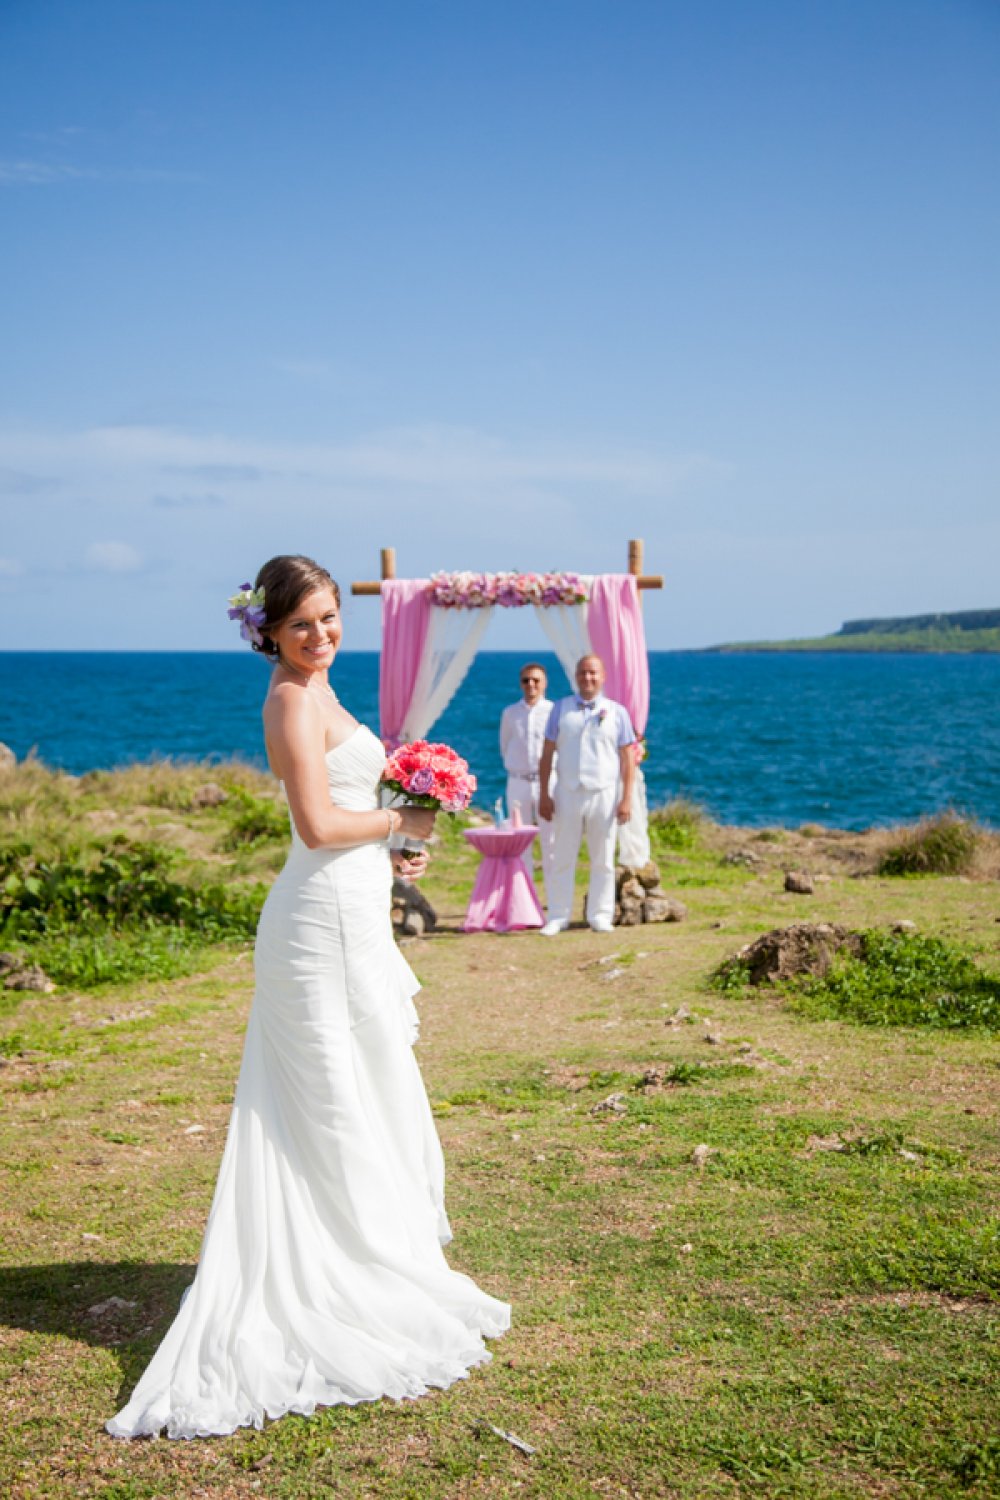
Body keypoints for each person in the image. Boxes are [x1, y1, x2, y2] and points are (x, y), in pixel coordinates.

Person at [107, 555, 509, 1440]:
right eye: (303, 626)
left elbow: (353, 814)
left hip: (356, 915)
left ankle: (372, 1255)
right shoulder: (289, 701)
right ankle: (341, 1276)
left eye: (330, 619)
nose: (322, 636)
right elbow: (318, 826)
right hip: (313, 928)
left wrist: (400, 844)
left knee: (367, 1088)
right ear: (269, 634)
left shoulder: (322, 689)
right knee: (330, 1105)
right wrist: (396, 819)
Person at [537, 653, 636, 935]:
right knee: (562, 855)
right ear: (576, 677)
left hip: (604, 792)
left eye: (593, 673)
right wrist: (544, 793)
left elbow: (627, 756)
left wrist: (626, 797)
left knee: (603, 857)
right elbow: (547, 754)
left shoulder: (617, 712)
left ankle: (600, 914)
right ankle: (558, 915)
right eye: (582, 673)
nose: (588, 678)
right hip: (567, 790)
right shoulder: (560, 709)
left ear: (602, 677)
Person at [499, 661, 555, 895]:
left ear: (545, 683)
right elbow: (505, 744)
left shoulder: (554, 711)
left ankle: (554, 899)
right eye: (526, 680)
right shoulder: (510, 713)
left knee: (551, 841)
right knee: (520, 841)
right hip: (518, 782)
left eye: (536, 680)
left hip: (548, 783)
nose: (531, 684)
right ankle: (524, 898)